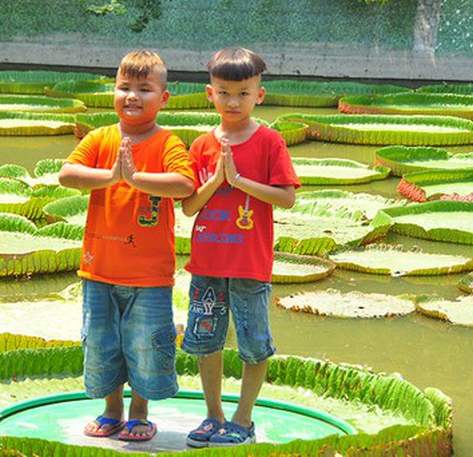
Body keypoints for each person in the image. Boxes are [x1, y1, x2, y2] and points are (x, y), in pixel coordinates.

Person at [58, 50, 195, 442]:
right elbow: (67, 174)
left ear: (163, 98)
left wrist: (135, 179)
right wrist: (112, 175)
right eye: (124, 87)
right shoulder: (101, 137)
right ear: (113, 91)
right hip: (99, 268)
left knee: (146, 344)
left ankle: (139, 411)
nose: (132, 96)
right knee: (102, 342)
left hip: (149, 275)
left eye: (144, 89)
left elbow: (184, 185)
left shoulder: (166, 141)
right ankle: (111, 409)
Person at [180, 46, 300, 447]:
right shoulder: (200, 144)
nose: (233, 101)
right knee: (205, 340)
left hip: (250, 264)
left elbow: (286, 198)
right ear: (209, 93)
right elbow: (189, 207)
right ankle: (213, 415)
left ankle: (243, 419)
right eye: (224, 92)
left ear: (259, 95)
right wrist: (215, 181)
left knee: (253, 344)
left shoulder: (269, 142)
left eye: (243, 93)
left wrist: (239, 180)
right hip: (207, 263)